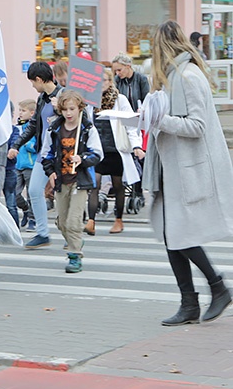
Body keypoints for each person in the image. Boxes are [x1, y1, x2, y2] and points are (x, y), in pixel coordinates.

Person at [143, 20, 233, 326]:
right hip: (172, 169)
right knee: (173, 236)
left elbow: (197, 126)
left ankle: (215, 288)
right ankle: (192, 301)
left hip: (188, 169)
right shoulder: (170, 77)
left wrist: (160, 120)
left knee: (179, 236)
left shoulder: (189, 76)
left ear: (163, 47)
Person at [41, 90, 102, 274]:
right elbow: (46, 154)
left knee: (74, 221)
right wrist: (50, 172)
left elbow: (97, 154)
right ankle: (75, 239)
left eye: (72, 109)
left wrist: (82, 158)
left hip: (80, 180)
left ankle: (75, 255)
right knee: (61, 221)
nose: (69, 113)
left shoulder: (87, 129)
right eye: (65, 109)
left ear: (80, 109)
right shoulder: (54, 130)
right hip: (61, 179)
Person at [8, 61, 63, 250]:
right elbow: (33, 125)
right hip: (44, 153)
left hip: (62, 153)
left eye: (33, 82)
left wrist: (60, 110)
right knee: (33, 191)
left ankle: (72, 234)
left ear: (39, 79)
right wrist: (16, 144)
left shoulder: (63, 96)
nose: (33, 85)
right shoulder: (42, 98)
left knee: (64, 196)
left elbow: (78, 120)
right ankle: (42, 233)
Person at [86, 68, 144, 236]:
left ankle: (118, 220)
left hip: (116, 150)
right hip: (98, 150)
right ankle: (91, 221)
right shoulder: (90, 101)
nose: (100, 84)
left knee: (118, 185)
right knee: (94, 184)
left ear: (110, 82)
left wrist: (136, 146)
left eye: (104, 80)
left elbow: (131, 125)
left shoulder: (120, 100)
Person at [14, 99, 38, 231]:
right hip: (18, 165)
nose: (20, 113)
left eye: (23, 111)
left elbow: (36, 146)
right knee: (15, 192)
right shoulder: (18, 127)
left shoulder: (33, 127)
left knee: (31, 193)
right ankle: (26, 209)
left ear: (32, 112)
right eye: (20, 110)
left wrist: (26, 144)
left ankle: (32, 219)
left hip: (30, 164)